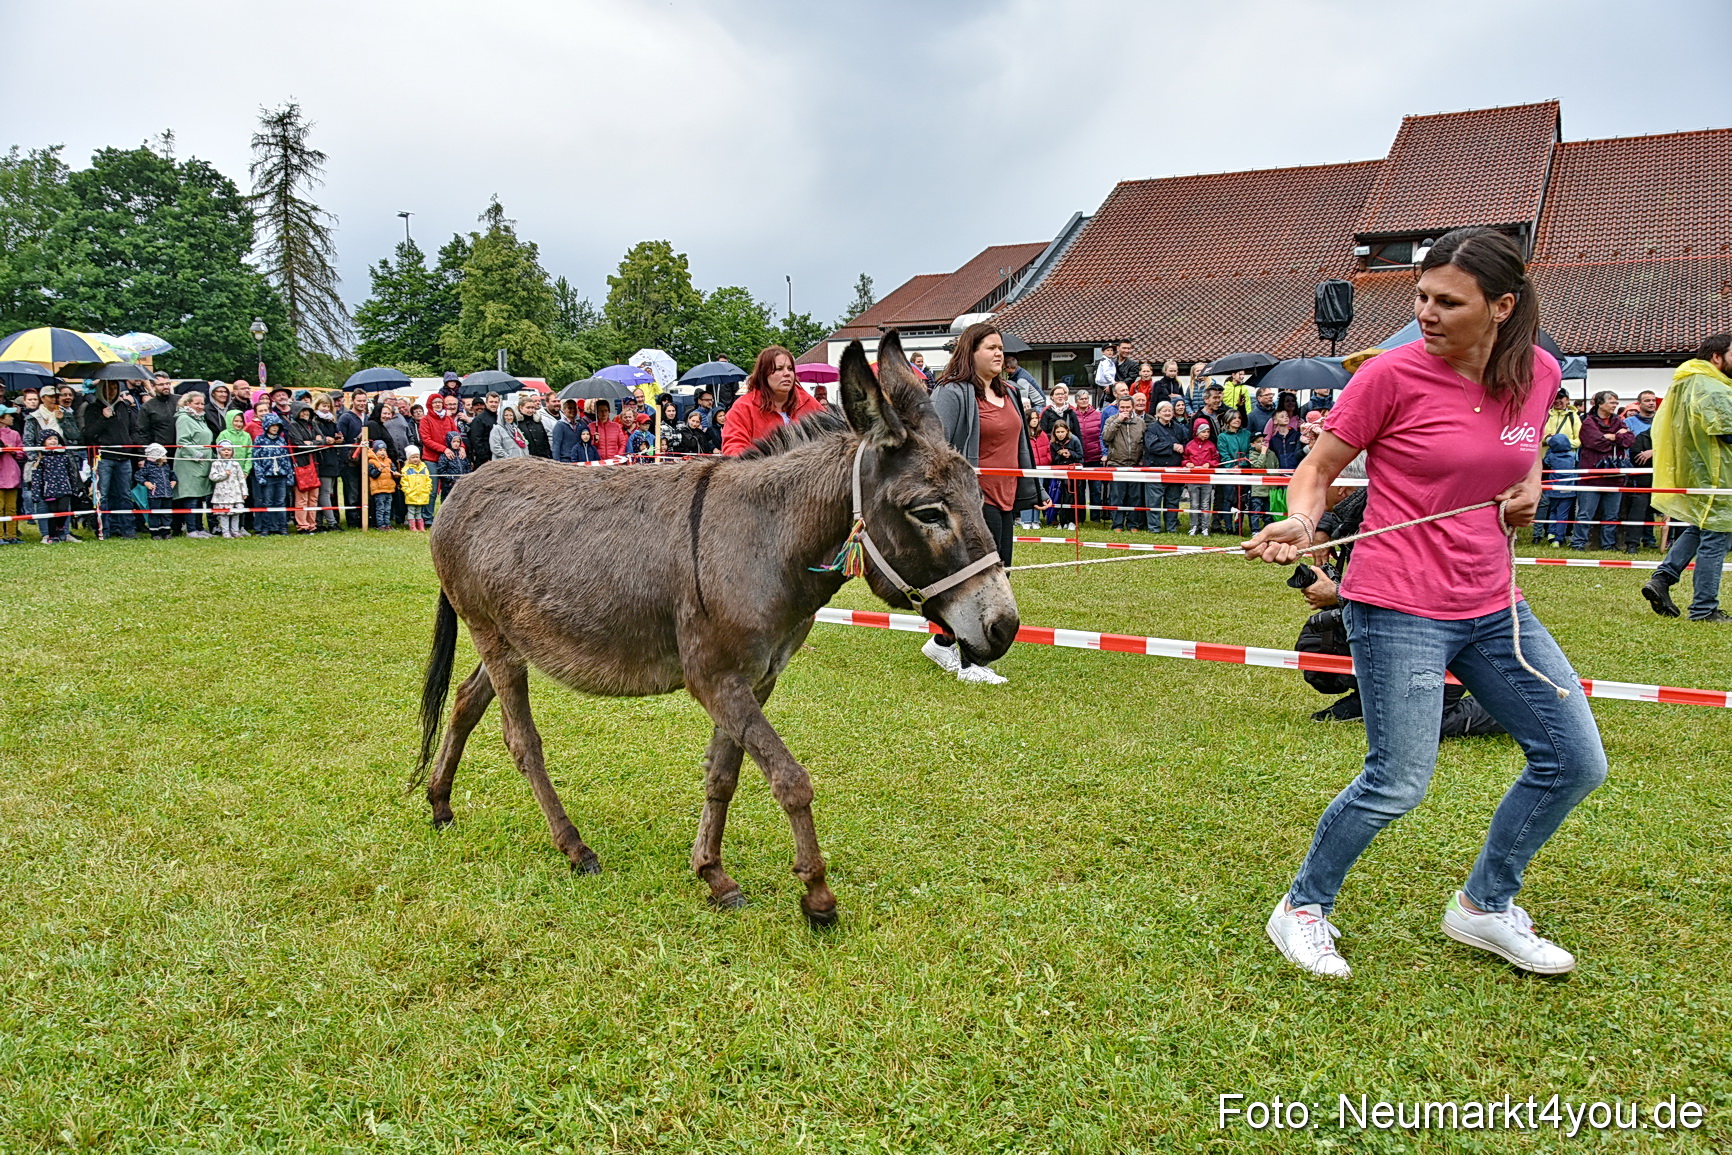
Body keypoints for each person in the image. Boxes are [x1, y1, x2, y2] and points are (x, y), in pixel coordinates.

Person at [1249, 226, 1605, 980]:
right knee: (1399, 779)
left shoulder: (1537, 373)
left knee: (1574, 759)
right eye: (1422, 296)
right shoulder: (1391, 375)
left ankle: (1483, 906)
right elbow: (1320, 468)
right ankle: (1303, 907)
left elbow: (1523, 445)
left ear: (1502, 306)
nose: (1428, 312)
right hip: (1397, 603)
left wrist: (1530, 486)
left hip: (1494, 604)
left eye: (1449, 301)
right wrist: (1305, 521)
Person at [928, 323, 1041, 686]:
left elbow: (1020, 445)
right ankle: (969, 662)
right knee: (979, 584)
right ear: (970, 351)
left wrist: (1030, 488)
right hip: (973, 500)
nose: (999, 354)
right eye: (990, 347)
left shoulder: (1008, 392)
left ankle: (941, 642)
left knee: (1000, 577)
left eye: (1000, 348)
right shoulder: (953, 392)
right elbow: (933, 444)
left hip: (1006, 494)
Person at [1642, 334, 1732, 623]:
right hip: (1716, 474)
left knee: (1700, 529)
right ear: (1716, 357)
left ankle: (1663, 579)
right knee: (1716, 537)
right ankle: (1704, 609)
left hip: (1701, 472)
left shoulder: (1687, 380)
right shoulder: (1708, 385)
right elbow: (1726, 429)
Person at [721, 346, 824, 455]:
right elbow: (733, 450)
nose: (787, 373)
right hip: (759, 470)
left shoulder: (810, 404)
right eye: (779, 369)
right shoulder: (742, 408)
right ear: (764, 374)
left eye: (790, 369)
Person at [1572, 390, 1632, 550]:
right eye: (1612, 402)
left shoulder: (1619, 421)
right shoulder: (1588, 422)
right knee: (1585, 514)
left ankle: (1608, 544)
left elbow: (1629, 439)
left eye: (1616, 402)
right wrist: (1616, 437)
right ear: (1600, 403)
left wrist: (1612, 437)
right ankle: (1578, 543)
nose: (1615, 405)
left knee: (1612, 516)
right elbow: (1595, 443)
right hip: (1591, 477)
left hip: (1615, 476)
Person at [80, 379, 140, 539]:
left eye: (114, 387)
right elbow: (88, 434)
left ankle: (127, 530)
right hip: (103, 457)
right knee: (103, 495)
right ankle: (103, 530)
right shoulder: (92, 409)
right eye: (108, 387)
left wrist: (131, 444)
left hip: (124, 457)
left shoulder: (124, 407)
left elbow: (134, 429)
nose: (112, 390)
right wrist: (103, 418)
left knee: (124, 495)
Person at [1103, 386, 1146, 531]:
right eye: (1122, 407)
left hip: (1134, 464)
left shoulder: (1140, 422)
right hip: (1117, 463)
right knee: (1117, 496)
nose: (1125, 410)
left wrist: (1142, 459)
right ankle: (1117, 524)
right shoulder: (1111, 419)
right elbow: (1106, 437)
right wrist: (1118, 421)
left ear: (1133, 407)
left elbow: (1145, 442)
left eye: (1128, 407)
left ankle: (1133, 524)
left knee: (1134, 497)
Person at [172, 393, 213, 537]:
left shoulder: (200, 418)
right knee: (191, 496)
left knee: (200, 496)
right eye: (197, 403)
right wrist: (197, 454)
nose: (200, 406)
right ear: (188, 403)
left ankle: (200, 527)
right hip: (190, 463)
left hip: (203, 463)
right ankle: (191, 529)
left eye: (202, 404)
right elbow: (182, 442)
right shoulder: (183, 418)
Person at [1141, 399, 1185, 533]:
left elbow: (1185, 443)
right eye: (1164, 410)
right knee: (1154, 502)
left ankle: (1171, 528)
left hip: (1175, 470)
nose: (1167, 413)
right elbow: (1152, 446)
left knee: (1173, 501)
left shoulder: (1178, 428)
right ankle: (1154, 528)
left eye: (1170, 410)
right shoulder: (1152, 428)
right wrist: (1172, 446)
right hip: (1156, 469)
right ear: (1158, 413)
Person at [30, 431, 81, 542]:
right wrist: (35, 494)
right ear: (43, 443)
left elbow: (71, 473)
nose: (53, 441)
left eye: (55, 439)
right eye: (49, 439)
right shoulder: (40, 458)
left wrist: (74, 488)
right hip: (49, 490)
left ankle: (61, 529)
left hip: (64, 489)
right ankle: (51, 536)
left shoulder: (64, 456)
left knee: (63, 510)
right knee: (52, 511)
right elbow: (36, 478)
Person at [250, 415, 293, 535]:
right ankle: (265, 528)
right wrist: (260, 476)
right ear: (266, 426)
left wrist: (289, 475)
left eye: (277, 426)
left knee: (281, 502)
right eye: (272, 426)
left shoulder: (281, 440)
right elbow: (256, 459)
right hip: (267, 476)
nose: (275, 428)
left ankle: (282, 527)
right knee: (267, 503)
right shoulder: (259, 440)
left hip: (281, 476)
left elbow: (286, 459)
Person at [1536, 433, 1577, 546]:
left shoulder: (1551, 456)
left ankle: (1551, 533)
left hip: (1554, 489)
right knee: (1563, 515)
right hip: (1568, 489)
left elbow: (1546, 462)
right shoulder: (1572, 456)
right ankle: (1559, 538)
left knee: (1553, 511)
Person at [1180, 418, 1219, 534]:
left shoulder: (1211, 446)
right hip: (1193, 478)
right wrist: (1187, 464)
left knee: (1206, 503)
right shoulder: (1190, 445)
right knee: (1194, 503)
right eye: (1203, 431)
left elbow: (1216, 459)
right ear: (1196, 432)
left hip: (1207, 478)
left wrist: (1210, 464)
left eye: (1208, 432)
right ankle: (1193, 526)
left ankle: (1205, 527)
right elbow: (1184, 459)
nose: (1206, 434)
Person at [1216, 409, 1252, 535]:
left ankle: (1239, 527)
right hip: (1228, 472)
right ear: (1228, 420)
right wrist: (1232, 466)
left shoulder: (1246, 434)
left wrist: (1241, 465)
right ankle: (1228, 527)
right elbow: (1223, 454)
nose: (1237, 420)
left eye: (1239, 417)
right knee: (1228, 499)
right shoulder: (1222, 437)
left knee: (1241, 500)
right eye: (1234, 418)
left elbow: (1249, 452)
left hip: (1244, 471)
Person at [311, 398, 343, 531]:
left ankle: (319, 522)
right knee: (324, 493)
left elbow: (336, 436)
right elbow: (317, 440)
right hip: (322, 460)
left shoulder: (332, 421)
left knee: (326, 492)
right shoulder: (314, 422)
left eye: (328, 406)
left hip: (332, 459)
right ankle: (331, 522)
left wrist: (339, 439)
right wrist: (325, 440)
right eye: (323, 406)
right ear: (317, 406)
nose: (326, 409)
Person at [337, 392, 368, 529]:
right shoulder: (346, 418)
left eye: (363, 401)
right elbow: (341, 440)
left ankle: (364, 518)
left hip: (365, 460)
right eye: (359, 400)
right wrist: (346, 460)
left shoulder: (366, 418)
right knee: (352, 492)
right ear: (353, 401)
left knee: (364, 491)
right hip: (350, 461)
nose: (361, 403)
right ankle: (353, 521)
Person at [1047, 418, 1083, 528]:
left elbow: (1081, 456)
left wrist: (1070, 454)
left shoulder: (1075, 440)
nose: (1060, 434)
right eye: (1058, 432)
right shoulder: (1053, 443)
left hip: (1073, 473)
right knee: (1060, 496)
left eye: (1062, 431)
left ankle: (1071, 521)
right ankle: (1062, 521)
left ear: (1067, 431)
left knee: (1071, 496)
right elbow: (1052, 459)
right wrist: (1060, 454)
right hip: (1060, 473)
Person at [208, 441, 248, 538]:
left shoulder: (235, 464)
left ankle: (235, 530)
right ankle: (225, 531)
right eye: (224, 450)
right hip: (222, 493)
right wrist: (224, 474)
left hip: (235, 492)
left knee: (235, 513)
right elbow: (212, 477)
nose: (226, 452)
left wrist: (244, 491)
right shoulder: (216, 464)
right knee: (224, 514)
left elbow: (241, 478)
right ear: (219, 451)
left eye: (229, 450)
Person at [1020, 406, 1051, 529]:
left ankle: (1036, 520)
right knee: (1027, 492)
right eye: (1032, 418)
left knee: (1039, 493)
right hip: (1028, 468)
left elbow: (1048, 450)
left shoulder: (1042, 434)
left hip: (1041, 468)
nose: (1035, 420)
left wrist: (1046, 461)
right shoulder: (1022, 434)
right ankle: (1026, 520)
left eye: (1036, 418)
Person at [138, 443, 174, 540]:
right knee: (154, 513)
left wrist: (174, 481)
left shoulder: (166, 467)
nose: (166, 457)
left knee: (166, 513)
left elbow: (172, 474)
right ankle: (155, 533)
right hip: (154, 496)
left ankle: (166, 532)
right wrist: (146, 483)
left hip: (167, 495)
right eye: (163, 455)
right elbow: (138, 476)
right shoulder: (148, 467)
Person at [1245, 431, 1277, 532]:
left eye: (1263, 441)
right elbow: (1258, 466)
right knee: (1256, 511)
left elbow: (1276, 467)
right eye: (1259, 442)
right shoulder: (1251, 455)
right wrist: (1263, 453)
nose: (1262, 443)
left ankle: (1268, 530)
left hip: (1270, 489)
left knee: (1268, 512)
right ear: (1252, 445)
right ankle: (1255, 530)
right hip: (1257, 489)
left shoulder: (1272, 454)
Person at [0, 406, 22, 544]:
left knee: (12, 507)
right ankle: (0, 536)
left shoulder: (14, 434)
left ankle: (12, 535)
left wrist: (14, 451)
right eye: (9, 415)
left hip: (12, 473)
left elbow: (21, 451)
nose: (12, 418)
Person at [400, 444, 434, 531]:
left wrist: (428, 488)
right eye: (413, 457)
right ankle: (412, 525)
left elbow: (428, 479)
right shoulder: (406, 470)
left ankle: (420, 525)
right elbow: (404, 482)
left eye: (417, 457)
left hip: (421, 493)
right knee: (411, 510)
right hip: (411, 494)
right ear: (408, 458)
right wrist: (407, 491)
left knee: (419, 510)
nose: (415, 459)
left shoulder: (424, 468)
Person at [366, 440, 396, 529]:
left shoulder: (389, 461)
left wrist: (395, 474)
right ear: (375, 451)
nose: (382, 452)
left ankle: (387, 524)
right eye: (380, 450)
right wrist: (379, 469)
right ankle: (380, 524)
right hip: (379, 490)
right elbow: (373, 475)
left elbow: (393, 471)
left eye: (384, 450)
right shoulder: (372, 462)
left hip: (389, 489)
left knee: (388, 509)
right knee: (380, 509)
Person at [466, 392, 501, 469]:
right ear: (486, 403)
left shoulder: (499, 418)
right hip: (484, 461)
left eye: (496, 402)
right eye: (491, 402)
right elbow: (476, 440)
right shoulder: (479, 419)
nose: (493, 404)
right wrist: (485, 459)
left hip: (497, 458)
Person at [517, 394, 553, 458]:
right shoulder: (517, 424)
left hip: (542, 457)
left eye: (532, 408)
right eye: (528, 408)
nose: (531, 410)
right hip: (526, 458)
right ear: (521, 407)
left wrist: (548, 455)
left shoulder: (538, 422)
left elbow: (545, 441)